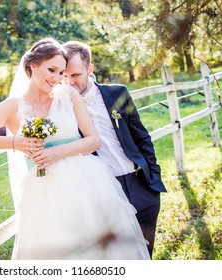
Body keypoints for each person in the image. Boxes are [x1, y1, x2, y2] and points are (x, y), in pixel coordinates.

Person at [0, 37, 149, 260]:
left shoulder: (68, 96)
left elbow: (92, 141)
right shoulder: (12, 106)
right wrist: (15, 143)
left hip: (87, 182)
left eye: (61, 72)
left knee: (102, 251)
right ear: (33, 66)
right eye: (52, 70)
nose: (57, 78)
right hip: (45, 189)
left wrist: (55, 152)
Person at [58, 40, 167, 258]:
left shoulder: (117, 93)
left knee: (145, 253)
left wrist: (153, 175)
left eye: (76, 75)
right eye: (64, 76)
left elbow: (142, 136)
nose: (70, 82)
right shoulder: (60, 106)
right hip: (107, 190)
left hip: (143, 185)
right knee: (120, 256)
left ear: (90, 69)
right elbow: (26, 118)